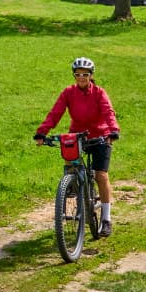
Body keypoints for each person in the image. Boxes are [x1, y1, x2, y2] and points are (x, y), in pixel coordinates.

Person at [33, 56, 120, 236]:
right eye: (78, 74)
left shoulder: (99, 92)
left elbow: (108, 112)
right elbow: (55, 113)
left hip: (100, 136)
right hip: (78, 134)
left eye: (85, 74)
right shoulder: (68, 92)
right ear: (74, 75)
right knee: (69, 155)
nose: (81, 77)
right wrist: (42, 132)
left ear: (91, 75)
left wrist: (113, 131)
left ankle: (106, 219)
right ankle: (71, 184)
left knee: (100, 175)